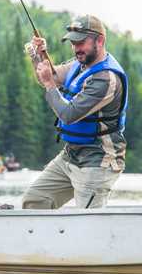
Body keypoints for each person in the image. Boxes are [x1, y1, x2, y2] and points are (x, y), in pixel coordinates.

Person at [22, 15, 128, 209]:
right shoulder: (79, 65)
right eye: (73, 42)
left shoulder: (105, 79)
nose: (76, 48)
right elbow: (52, 75)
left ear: (100, 40)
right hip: (71, 155)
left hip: (99, 159)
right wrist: (37, 55)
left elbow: (68, 115)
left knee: (87, 224)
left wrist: (48, 83)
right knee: (35, 203)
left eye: (81, 42)